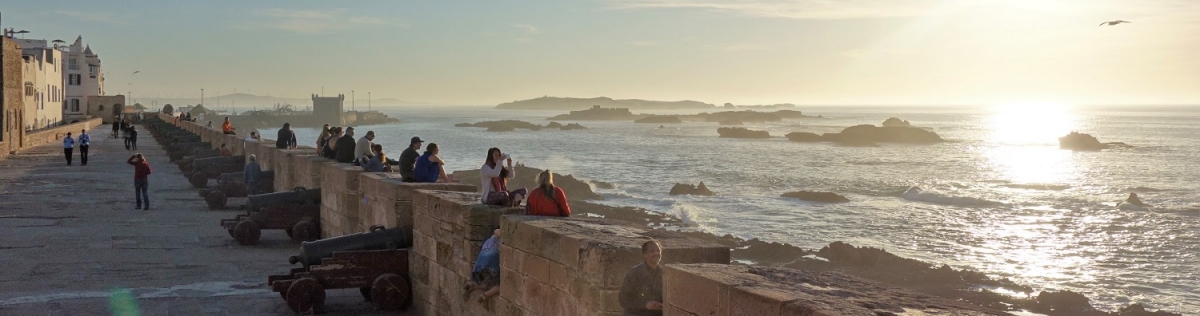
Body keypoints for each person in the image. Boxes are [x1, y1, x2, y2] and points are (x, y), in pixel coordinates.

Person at [619, 240, 664, 316]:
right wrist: (645, 304)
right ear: (645, 255)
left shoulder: (665, 273)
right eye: (652, 251)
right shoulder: (634, 273)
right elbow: (623, 299)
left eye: (658, 250)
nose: (656, 253)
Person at [465, 228, 502, 302]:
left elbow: (496, 231)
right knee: (502, 286)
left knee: (487, 283)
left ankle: (474, 285)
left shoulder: (490, 238)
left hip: (480, 262)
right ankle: (485, 295)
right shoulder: (499, 236)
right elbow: (497, 231)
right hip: (492, 262)